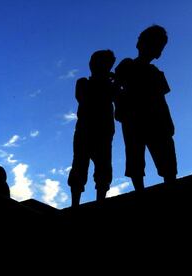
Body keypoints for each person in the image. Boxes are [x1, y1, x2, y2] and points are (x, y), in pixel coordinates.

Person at [115, 25, 178, 192]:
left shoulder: (156, 72)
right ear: (141, 43)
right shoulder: (127, 65)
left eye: (159, 47)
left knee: (167, 160)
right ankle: (139, 191)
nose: (157, 50)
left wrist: (168, 122)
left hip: (157, 120)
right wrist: (121, 110)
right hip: (134, 118)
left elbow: (162, 100)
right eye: (155, 44)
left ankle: (168, 184)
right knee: (135, 158)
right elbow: (116, 88)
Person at [68, 49, 118, 207]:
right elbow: (84, 98)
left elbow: (118, 97)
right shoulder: (83, 83)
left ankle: (100, 201)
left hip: (103, 132)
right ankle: (75, 203)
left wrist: (114, 81)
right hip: (85, 130)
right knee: (79, 165)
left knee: (103, 167)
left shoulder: (110, 85)